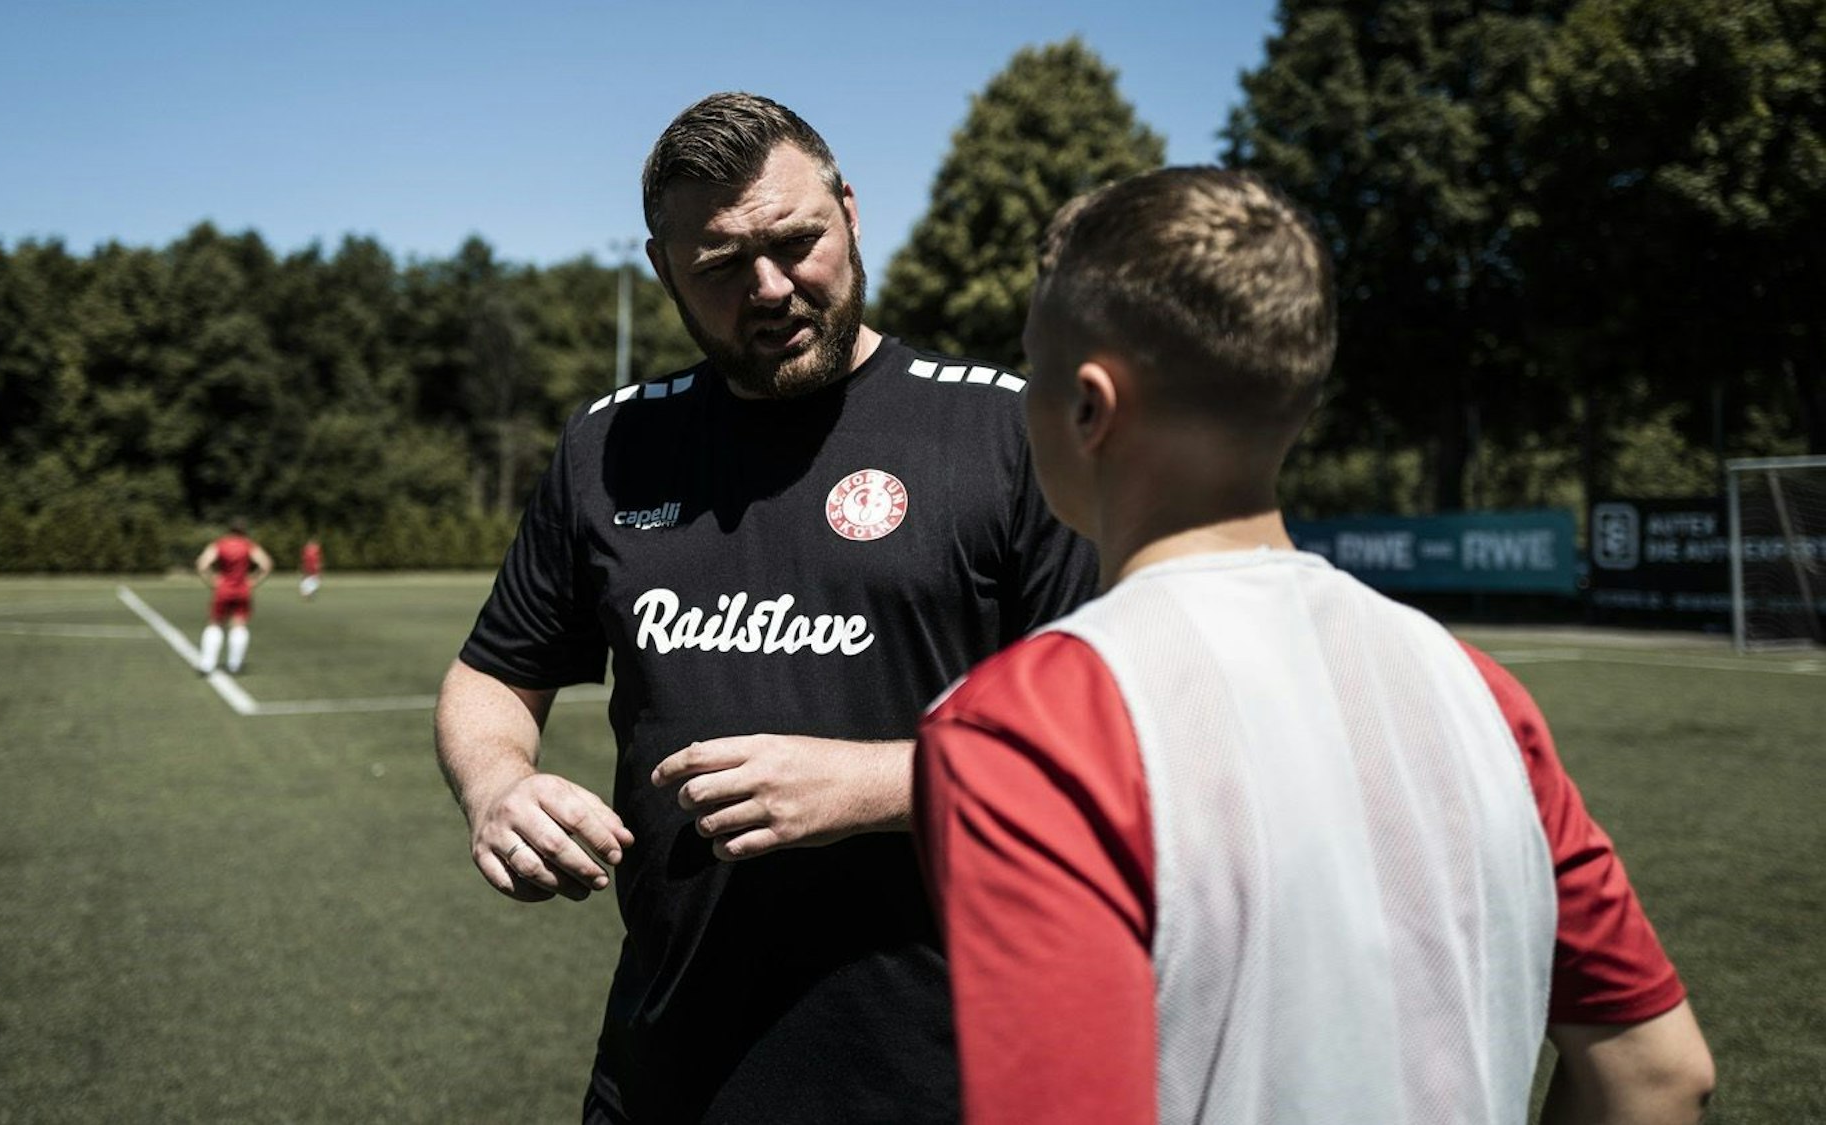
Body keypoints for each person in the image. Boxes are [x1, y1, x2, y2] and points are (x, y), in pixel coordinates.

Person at [914, 168, 1715, 1124]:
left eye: (1028, 364)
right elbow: (1658, 1070)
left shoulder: (1026, 722)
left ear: (1090, 407)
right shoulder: (1481, 694)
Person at [434, 92, 1095, 1124]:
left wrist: (876, 784)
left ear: (850, 212)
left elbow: (1114, 752)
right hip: (664, 1073)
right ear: (663, 272)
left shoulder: (1005, 434)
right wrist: (496, 786)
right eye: (719, 267)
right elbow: (492, 674)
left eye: (798, 241)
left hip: (945, 1074)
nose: (772, 287)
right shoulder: (609, 449)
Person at [194, 518, 273, 675]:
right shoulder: (248, 545)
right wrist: (254, 581)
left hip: (223, 589)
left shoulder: (219, 544)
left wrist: (211, 581)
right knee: (239, 625)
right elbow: (266, 564)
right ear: (244, 531)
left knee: (215, 624)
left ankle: (207, 664)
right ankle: (235, 665)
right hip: (242, 589)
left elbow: (202, 564)